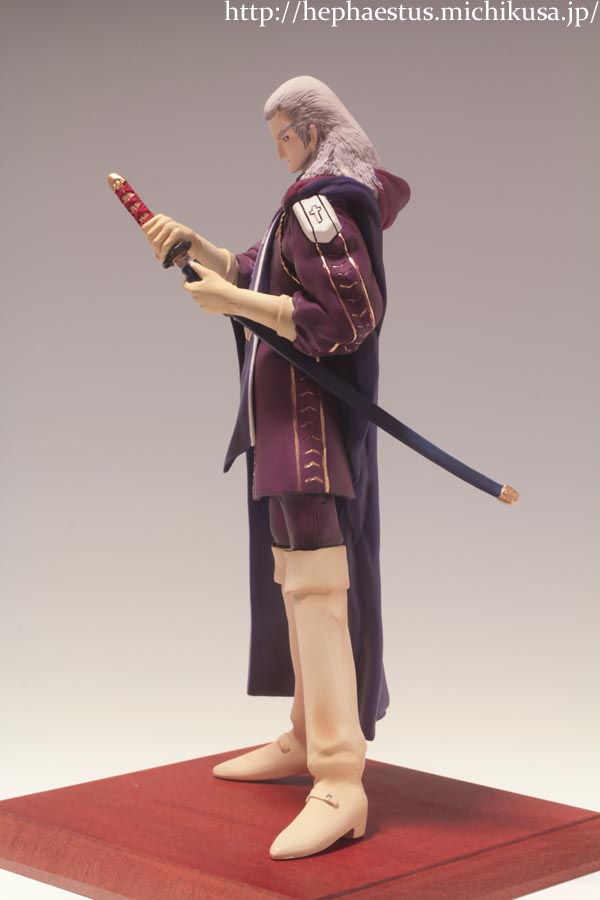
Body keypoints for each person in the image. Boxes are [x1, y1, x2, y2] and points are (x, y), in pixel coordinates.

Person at [142, 75, 410, 860]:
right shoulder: (298, 206)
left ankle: (340, 777)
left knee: (319, 588)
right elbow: (258, 271)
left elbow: (348, 316)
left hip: (312, 432)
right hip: (283, 425)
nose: (279, 151)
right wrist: (198, 248)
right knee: (295, 580)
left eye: (284, 137)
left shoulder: (322, 206)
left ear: (312, 131)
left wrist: (236, 304)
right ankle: (305, 732)